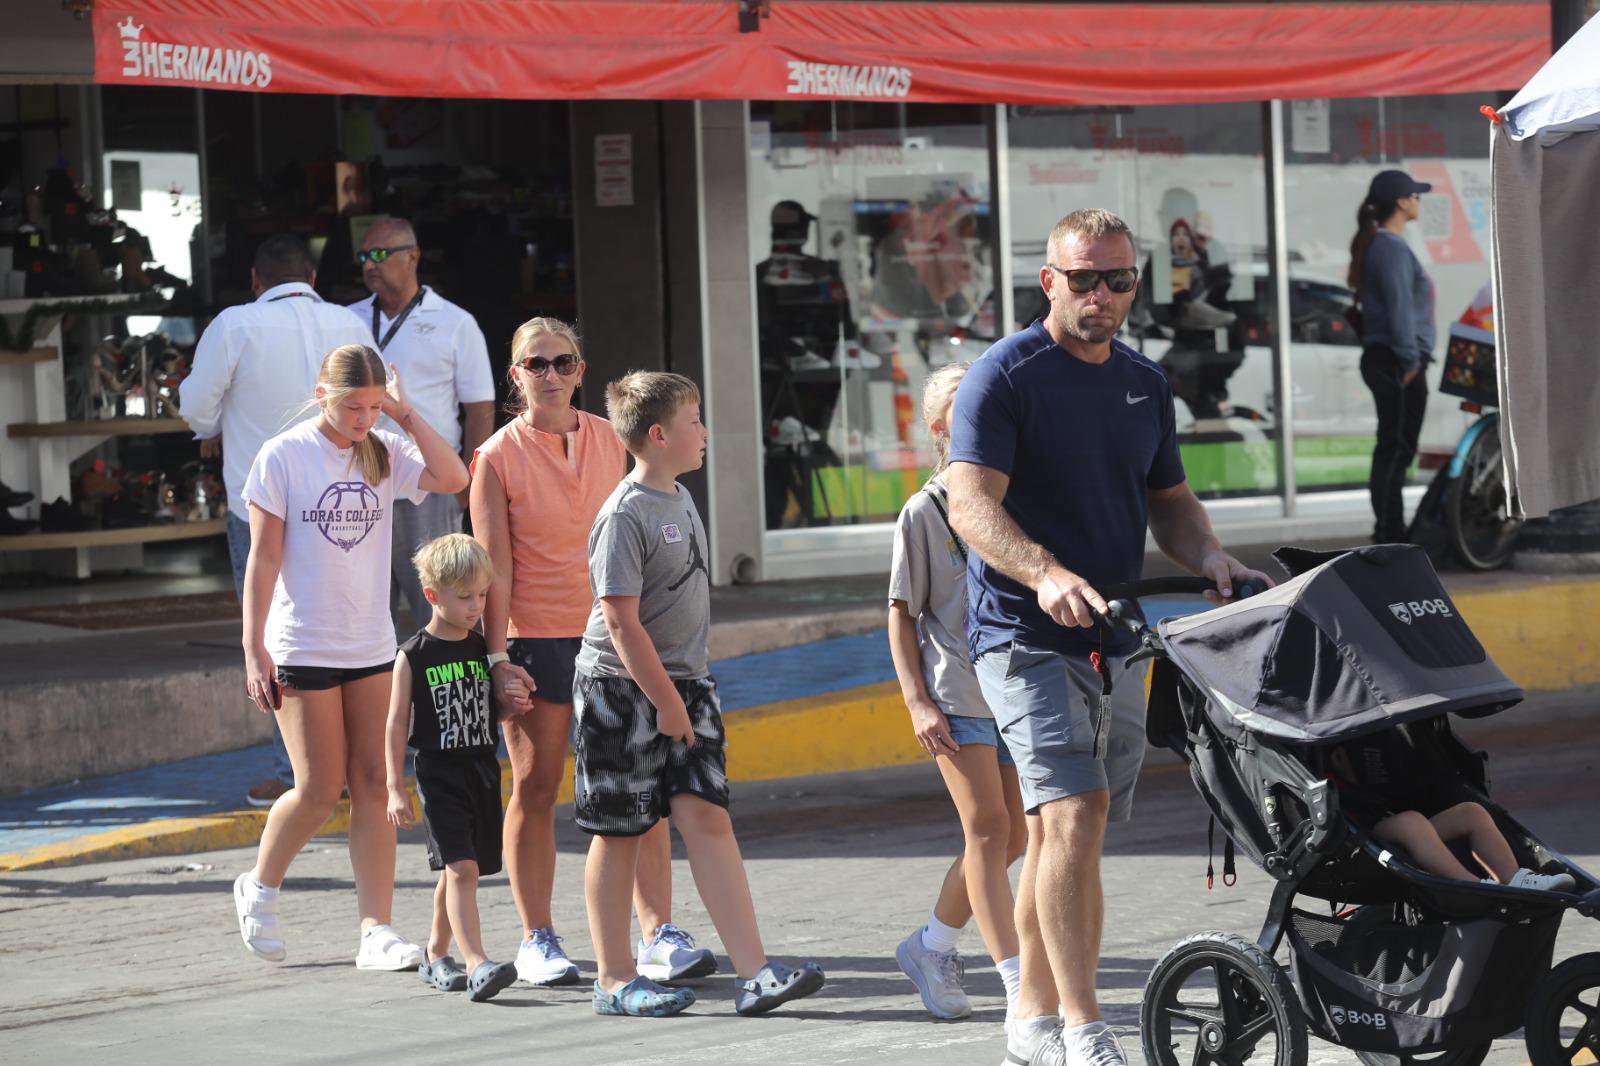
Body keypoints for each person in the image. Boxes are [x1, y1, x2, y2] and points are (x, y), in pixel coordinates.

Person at [946, 208, 1272, 1066]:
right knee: (1074, 813)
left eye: (1118, 279)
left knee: (1062, 834)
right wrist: (1043, 572)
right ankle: (1085, 1028)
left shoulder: (1143, 383)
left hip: (1117, 632)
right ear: (1047, 280)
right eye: (1084, 278)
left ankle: (1027, 1016)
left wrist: (1210, 557)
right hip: (1022, 631)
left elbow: (1169, 501)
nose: (1102, 295)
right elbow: (969, 500)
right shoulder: (1004, 377)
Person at [573, 371, 825, 1018]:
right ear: (657, 435)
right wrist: (664, 700)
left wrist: (683, 694)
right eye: (694, 421)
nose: (706, 432)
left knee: (707, 818)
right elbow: (621, 621)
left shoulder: (680, 497)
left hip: (685, 686)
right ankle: (613, 979)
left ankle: (756, 974)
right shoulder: (625, 514)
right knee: (619, 831)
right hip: (622, 692)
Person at [471, 318, 711, 990]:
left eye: (562, 361)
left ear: (580, 370)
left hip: (613, 637)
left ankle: (659, 931)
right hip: (536, 637)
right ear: (514, 375)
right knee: (538, 784)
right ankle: (536, 938)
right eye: (534, 363)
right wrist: (497, 659)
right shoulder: (494, 457)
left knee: (644, 786)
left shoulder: (613, 440)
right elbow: (495, 568)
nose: (549, 374)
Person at [231, 343, 469, 970]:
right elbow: (263, 560)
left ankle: (376, 931)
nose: (363, 418)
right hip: (301, 644)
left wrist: (405, 414)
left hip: (369, 644)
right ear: (320, 395)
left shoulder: (384, 452)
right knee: (316, 790)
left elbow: (455, 478)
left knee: (372, 784)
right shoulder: (282, 456)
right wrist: (253, 648)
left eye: (371, 406)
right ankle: (260, 886)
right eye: (352, 406)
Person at [179, 233, 373, 809]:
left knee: (274, 632)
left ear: (255, 281)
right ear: (311, 278)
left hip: (260, 502)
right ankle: (347, 767)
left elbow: (194, 405)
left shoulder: (235, 324)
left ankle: (298, 773)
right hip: (344, 495)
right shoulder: (348, 323)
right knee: (348, 620)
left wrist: (213, 424)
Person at [888, 361, 1027, 1022]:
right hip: (954, 695)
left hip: (1012, 689)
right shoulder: (925, 511)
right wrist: (918, 700)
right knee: (988, 827)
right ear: (946, 427)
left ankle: (931, 944)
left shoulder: (1011, 500)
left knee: (1017, 836)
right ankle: (1018, 980)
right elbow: (900, 612)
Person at [384, 533, 520, 1002]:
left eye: (482, 595)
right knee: (461, 869)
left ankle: (434, 954)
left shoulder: (482, 647)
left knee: (457, 870)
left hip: (481, 770)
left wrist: (511, 706)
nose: (476, 605)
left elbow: (487, 712)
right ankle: (477, 962)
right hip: (438, 773)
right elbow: (396, 722)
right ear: (432, 596)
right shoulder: (413, 655)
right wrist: (394, 787)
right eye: (465, 597)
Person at [348, 217, 496, 631]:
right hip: (359, 479)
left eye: (379, 254)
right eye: (363, 256)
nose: (369, 265)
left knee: (438, 604)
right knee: (367, 612)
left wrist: (469, 483)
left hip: (427, 478)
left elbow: (480, 408)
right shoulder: (346, 319)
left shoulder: (455, 322)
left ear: (412, 256)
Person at [1327, 731, 1574, 892]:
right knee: (1411, 822)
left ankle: (1516, 879)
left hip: (1395, 816)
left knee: (1470, 812)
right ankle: (1473, 888)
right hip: (1359, 834)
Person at [1348, 169, 1436, 544]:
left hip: (1390, 358)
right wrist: (1411, 360)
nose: (1418, 200)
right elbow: (1400, 309)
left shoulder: (1382, 245)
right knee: (1396, 447)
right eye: (1415, 195)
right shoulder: (1392, 248)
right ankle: (1389, 532)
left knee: (1394, 445)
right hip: (1397, 361)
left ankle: (1390, 528)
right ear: (1402, 202)